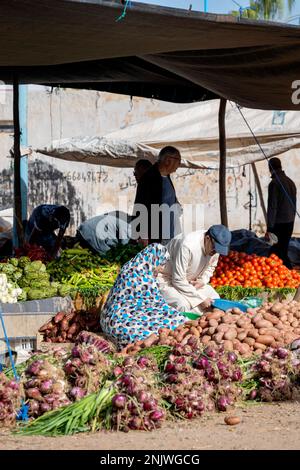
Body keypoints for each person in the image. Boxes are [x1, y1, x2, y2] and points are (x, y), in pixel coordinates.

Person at [100, 243, 187, 348]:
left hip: (135, 312)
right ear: (154, 258)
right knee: (139, 333)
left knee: (178, 318)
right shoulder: (139, 272)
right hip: (121, 314)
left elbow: (150, 300)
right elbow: (153, 300)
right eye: (162, 263)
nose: (162, 268)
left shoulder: (137, 266)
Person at [157, 225, 232, 314]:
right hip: (167, 280)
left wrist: (203, 280)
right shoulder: (187, 245)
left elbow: (211, 266)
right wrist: (200, 299)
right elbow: (178, 280)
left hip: (190, 283)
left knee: (214, 298)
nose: (215, 252)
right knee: (183, 305)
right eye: (214, 248)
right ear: (207, 238)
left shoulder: (214, 248)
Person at [133, 146, 182, 244]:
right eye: (178, 161)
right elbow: (141, 206)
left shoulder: (166, 177)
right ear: (168, 160)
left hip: (169, 235)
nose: (179, 164)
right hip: (155, 237)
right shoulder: (150, 178)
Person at [266, 157, 297, 268]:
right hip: (290, 222)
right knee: (283, 248)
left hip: (279, 223)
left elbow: (272, 207)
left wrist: (269, 228)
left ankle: (289, 272)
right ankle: (287, 273)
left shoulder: (274, 184)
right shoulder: (290, 182)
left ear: (270, 167)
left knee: (277, 251)